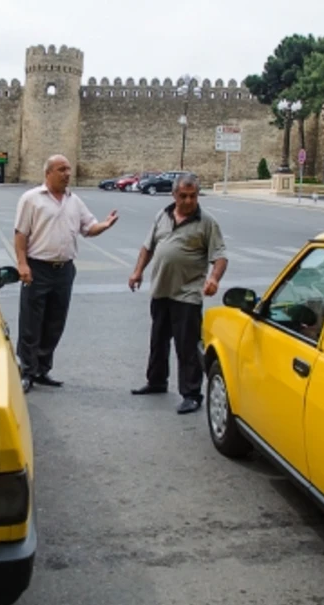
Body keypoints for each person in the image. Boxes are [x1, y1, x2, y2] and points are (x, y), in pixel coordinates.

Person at [14, 154, 119, 393]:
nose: (67, 174)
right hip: (37, 267)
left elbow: (88, 228)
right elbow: (21, 234)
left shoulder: (74, 201)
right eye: (62, 169)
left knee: (55, 323)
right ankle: (27, 371)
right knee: (31, 323)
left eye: (69, 169)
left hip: (64, 270)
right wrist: (22, 264)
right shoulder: (31, 199)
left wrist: (104, 225)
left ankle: (42, 369)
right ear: (48, 173)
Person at [128, 172, 227, 413]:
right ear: (174, 195)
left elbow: (220, 256)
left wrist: (213, 278)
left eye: (193, 196)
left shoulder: (207, 222)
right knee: (158, 341)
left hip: (188, 294)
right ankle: (156, 381)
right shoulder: (162, 215)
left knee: (187, 346)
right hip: (161, 289)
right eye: (183, 196)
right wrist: (137, 272)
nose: (189, 201)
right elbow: (147, 247)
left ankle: (192, 393)